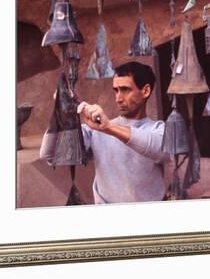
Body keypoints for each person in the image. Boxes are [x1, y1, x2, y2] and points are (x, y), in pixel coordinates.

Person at [40, 61, 170, 204]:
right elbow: (49, 154)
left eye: (125, 90)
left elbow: (159, 148)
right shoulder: (96, 130)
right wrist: (60, 112)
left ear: (145, 91)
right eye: (116, 90)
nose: (118, 98)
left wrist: (108, 128)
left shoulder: (158, 129)